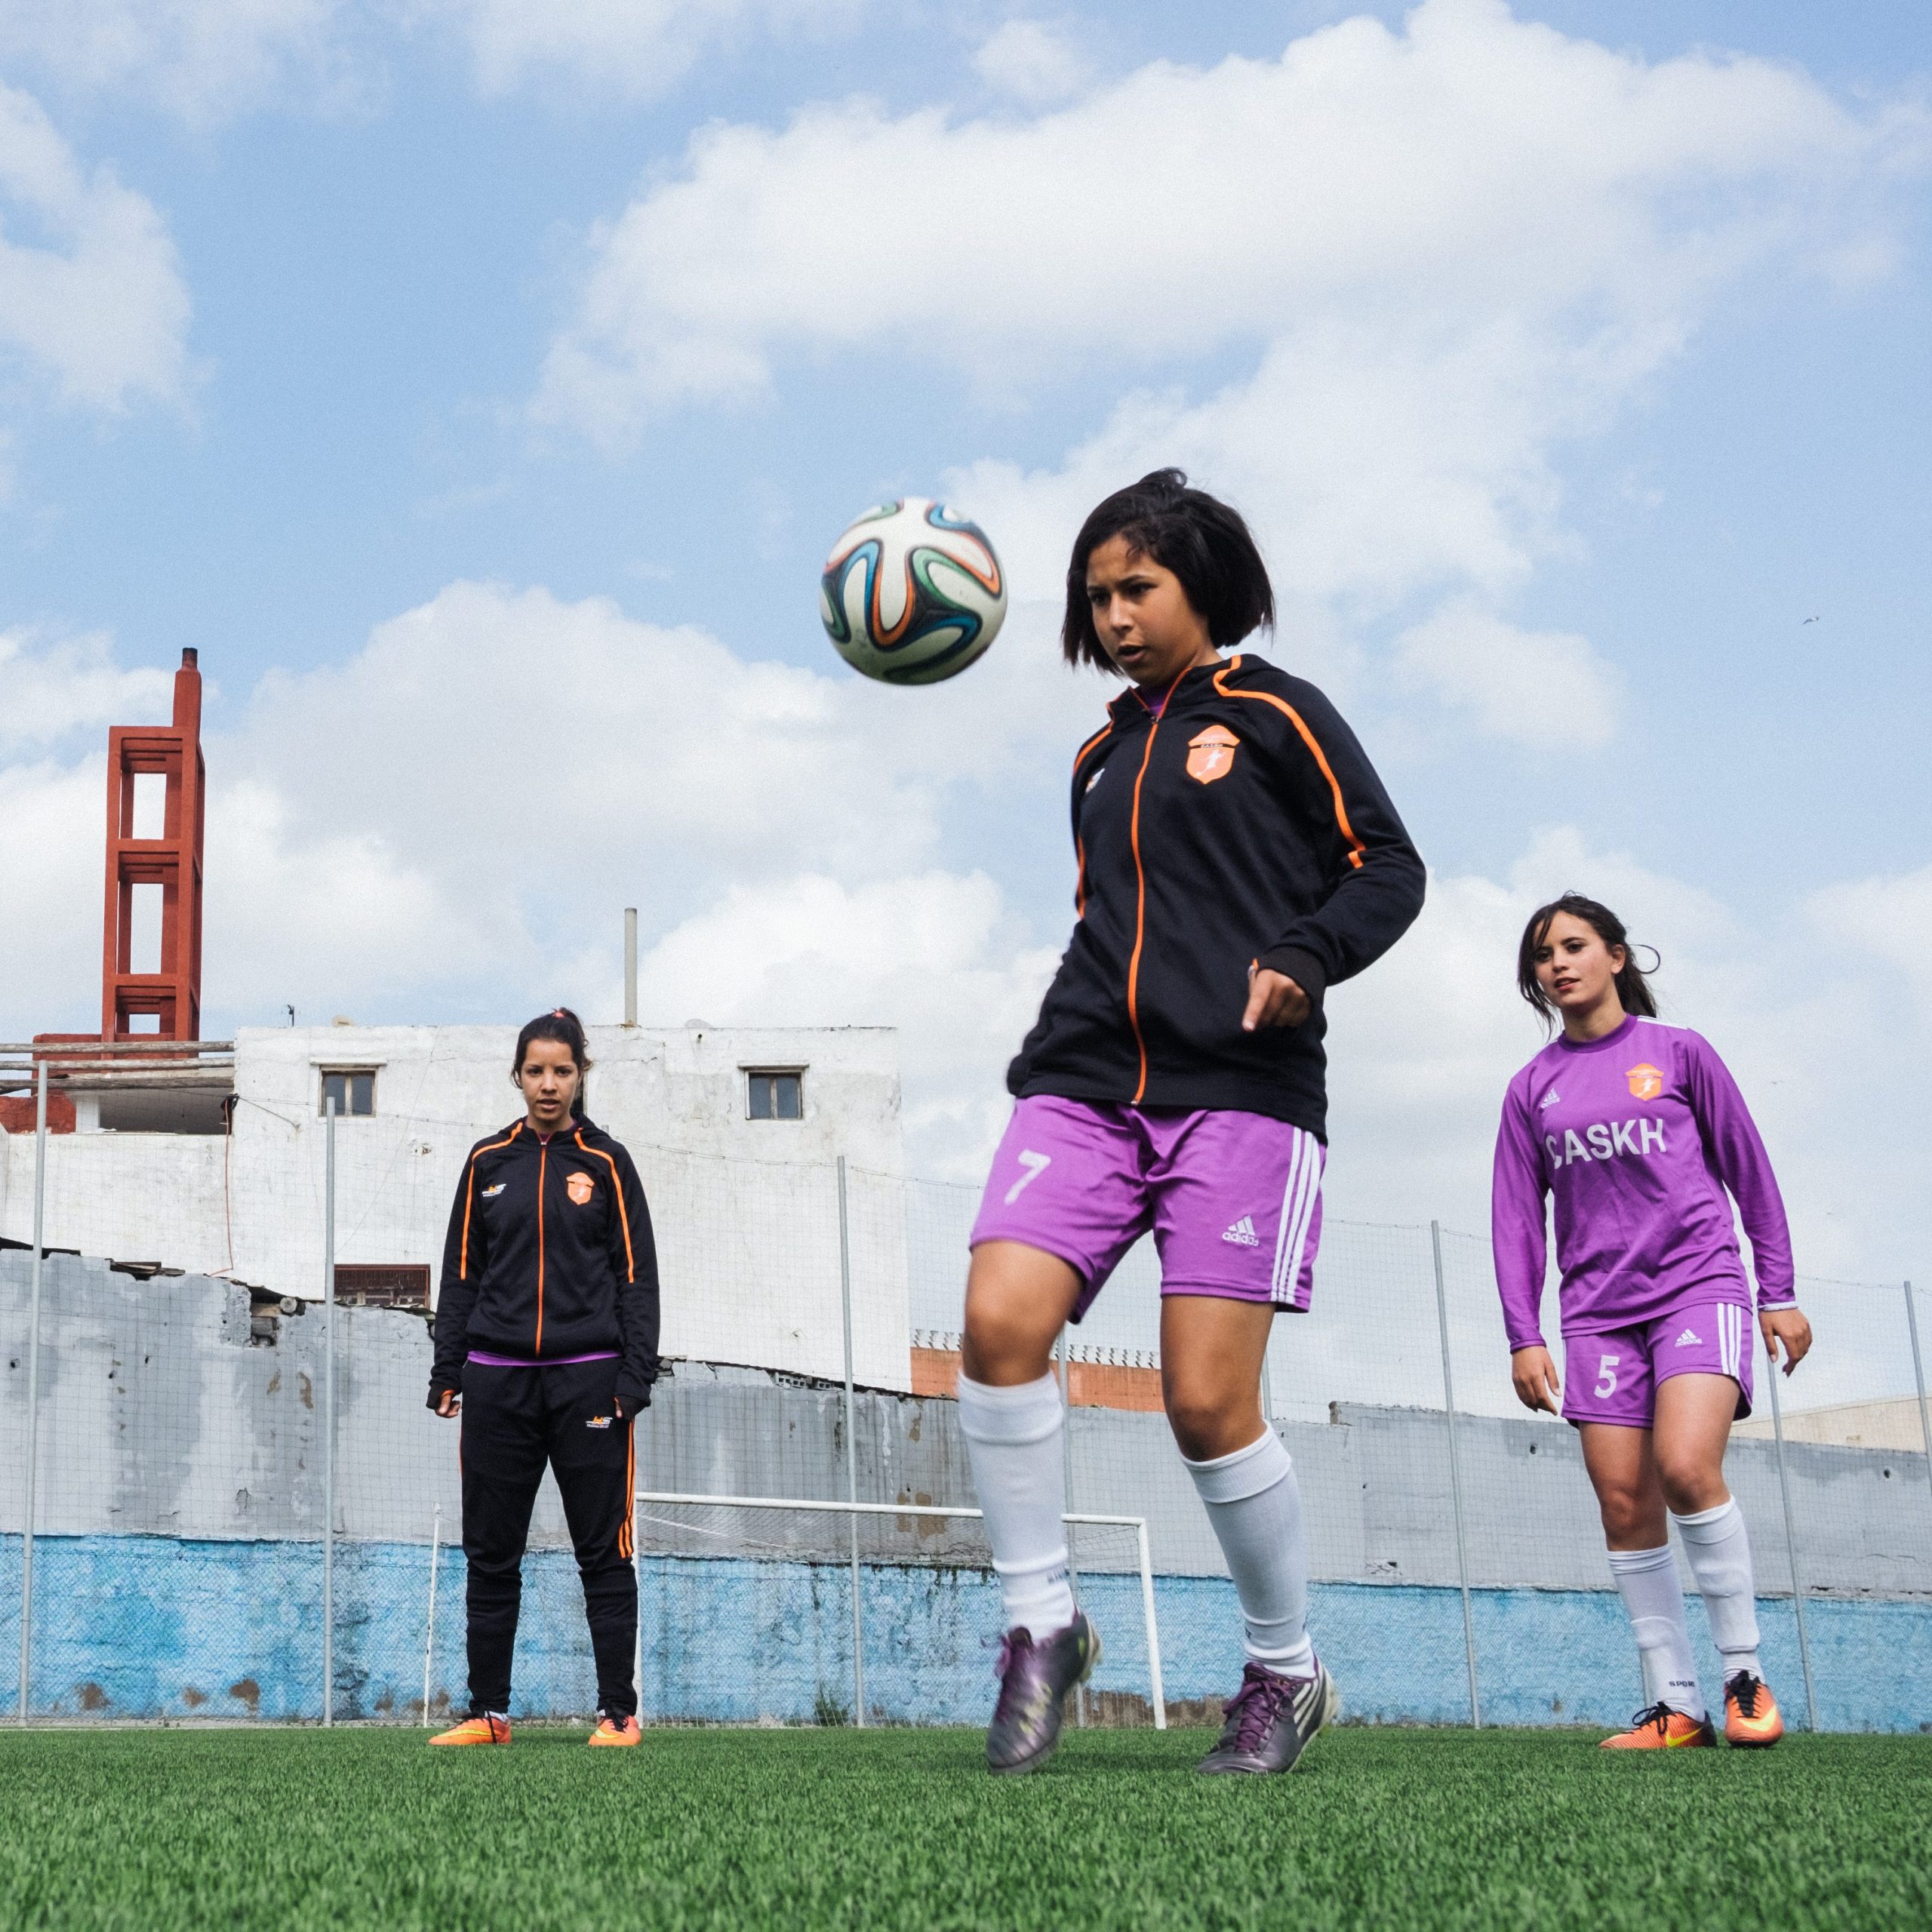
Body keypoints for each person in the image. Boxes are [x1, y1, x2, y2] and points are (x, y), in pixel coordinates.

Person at [959, 469, 1426, 1775]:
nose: (1112, 614)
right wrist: (1056, 1039)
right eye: (1095, 594)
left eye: (1136, 588)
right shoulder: (1097, 757)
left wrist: (1309, 953)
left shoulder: (1278, 713)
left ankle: (1284, 1671)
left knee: (1207, 1403)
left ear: (1200, 587)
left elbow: (1388, 864)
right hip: (1088, 1082)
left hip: (1244, 1094)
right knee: (997, 1325)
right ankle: (1040, 1629)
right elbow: (1100, 918)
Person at [1492, 894, 1811, 1749]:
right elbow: (1516, 1220)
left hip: (1696, 1287)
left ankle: (1743, 1676)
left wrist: (1775, 1290)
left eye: (1573, 945)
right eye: (1542, 955)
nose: (1557, 963)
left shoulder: (1678, 1053)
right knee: (1624, 1500)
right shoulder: (1531, 1089)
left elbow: (1751, 1171)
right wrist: (1524, 1333)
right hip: (1596, 1315)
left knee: (1682, 1465)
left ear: (1617, 957)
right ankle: (1676, 1704)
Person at [424, 1008, 661, 1747]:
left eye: (562, 1070)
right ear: (518, 1076)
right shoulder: (487, 1161)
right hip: (497, 1381)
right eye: (536, 1070)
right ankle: (486, 1712)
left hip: (588, 1382)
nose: (548, 1084)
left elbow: (636, 1277)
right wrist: (448, 1367)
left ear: (581, 1074)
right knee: (490, 1552)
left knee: (603, 1549)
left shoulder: (607, 1163)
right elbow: (461, 1275)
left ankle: (617, 1714)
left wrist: (634, 1376)